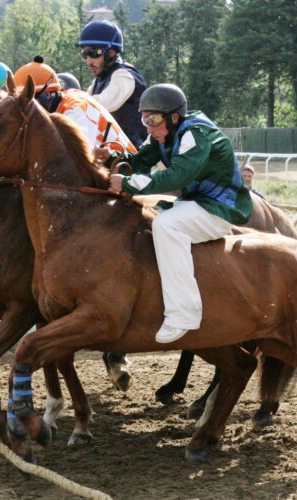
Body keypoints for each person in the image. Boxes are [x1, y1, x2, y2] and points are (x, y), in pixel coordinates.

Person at [99, 84, 251, 344]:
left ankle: (184, 314)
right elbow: (138, 161)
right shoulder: (162, 134)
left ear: (174, 117)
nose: (148, 126)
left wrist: (126, 184)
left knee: (167, 226)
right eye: (144, 119)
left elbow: (178, 176)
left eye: (153, 119)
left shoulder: (195, 134)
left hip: (219, 207)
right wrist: (109, 157)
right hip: (195, 202)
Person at [13, 56, 136, 153]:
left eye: (29, 100)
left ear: (48, 94)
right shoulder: (58, 108)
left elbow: (72, 153)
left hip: (124, 169)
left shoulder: (75, 106)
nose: (26, 109)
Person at [77, 20, 148, 148]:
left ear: (111, 52)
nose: (88, 61)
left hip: (133, 153)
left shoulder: (124, 76)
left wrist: (73, 101)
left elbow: (101, 105)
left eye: (93, 53)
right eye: (84, 54)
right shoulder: (99, 80)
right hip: (110, 151)